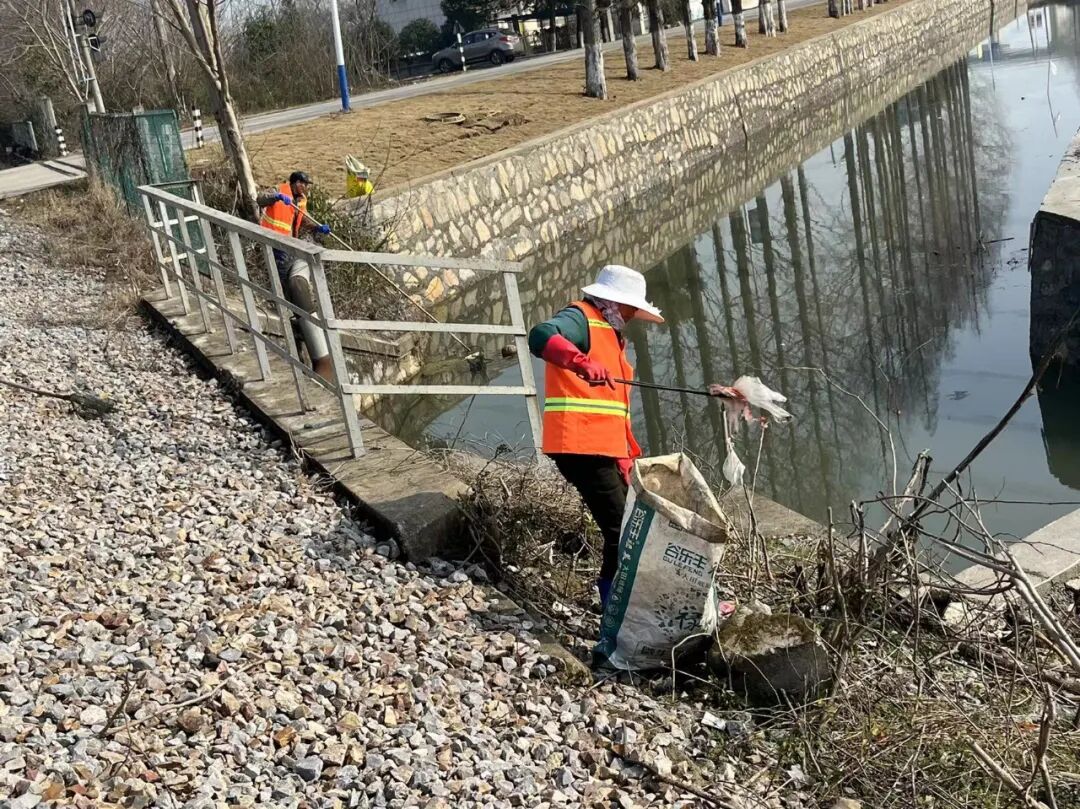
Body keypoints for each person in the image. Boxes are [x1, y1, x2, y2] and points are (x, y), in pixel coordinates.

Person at [257, 171, 334, 381]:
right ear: (296, 183)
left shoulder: (301, 200)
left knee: (295, 282)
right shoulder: (280, 191)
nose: (306, 188)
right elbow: (260, 199)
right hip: (273, 243)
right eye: (304, 184)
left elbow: (303, 220)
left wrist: (318, 227)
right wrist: (276, 197)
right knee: (283, 283)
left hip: (289, 245)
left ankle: (298, 317)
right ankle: (288, 312)